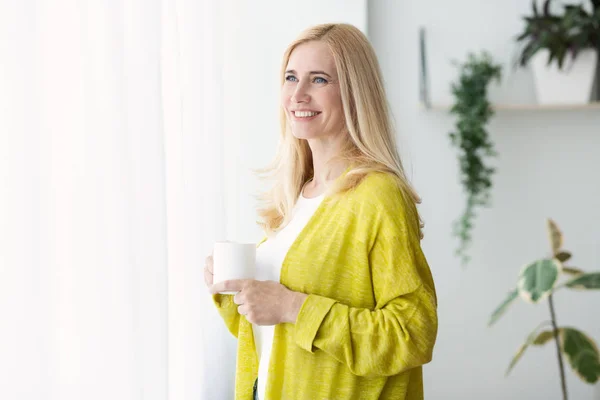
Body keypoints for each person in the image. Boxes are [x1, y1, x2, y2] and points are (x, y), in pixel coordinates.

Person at [204, 23, 438, 400]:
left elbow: (412, 333)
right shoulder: (296, 199)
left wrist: (294, 306)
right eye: (291, 77)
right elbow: (279, 340)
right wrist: (236, 292)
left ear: (355, 93)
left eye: (319, 80)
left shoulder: (377, 196)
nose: (297, 94)